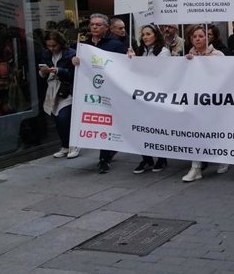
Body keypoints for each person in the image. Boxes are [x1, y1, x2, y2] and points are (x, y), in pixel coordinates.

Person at [71, 13, 127, 173]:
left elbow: (124, 67)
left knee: (108, 122)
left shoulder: (115, 45)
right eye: (92, 24)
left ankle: (105, 157)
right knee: (97, 122)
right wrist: (74, 62)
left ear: (106, 28)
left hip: (109, 90)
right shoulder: (83, 46)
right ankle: (104, 157)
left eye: (98, 25)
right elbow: (77, 70)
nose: (94, 27)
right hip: (91, 92)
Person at [181, 24, 229, 182]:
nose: (197, 39)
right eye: (194, 37)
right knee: (196, 132)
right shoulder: (190, 54)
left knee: (215, 132)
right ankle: (196, 168)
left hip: (214, 102)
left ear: (208, 38)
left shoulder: (218, 54)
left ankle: (223, 159)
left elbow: (227, 75)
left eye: (201, 36)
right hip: (196, 101)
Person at [128, 25, 170, 174]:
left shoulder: (163, 52)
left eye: (148, 34)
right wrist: (130, 60)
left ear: (155, 35)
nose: (145, 37)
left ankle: (161, 158)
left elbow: (158, 71)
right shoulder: (138, 51)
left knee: (157, 128)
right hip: (140, 96)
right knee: (141, 128)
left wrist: (136, 62)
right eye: (143, 34)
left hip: (157, 96)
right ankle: (146, 159)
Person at [39, 31, 80, 159]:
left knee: (64, 118)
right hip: (52, 90)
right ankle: (65, 145)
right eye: (49, 46)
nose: (51, 48)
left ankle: (74, 145)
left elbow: (74, 74)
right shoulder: (46, 54)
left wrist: (58, 70)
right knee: (57, 119)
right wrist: (43, 72)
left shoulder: (70, 54)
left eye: (54, 46)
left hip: (66, 90)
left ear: (60, 44)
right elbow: (41, 74)